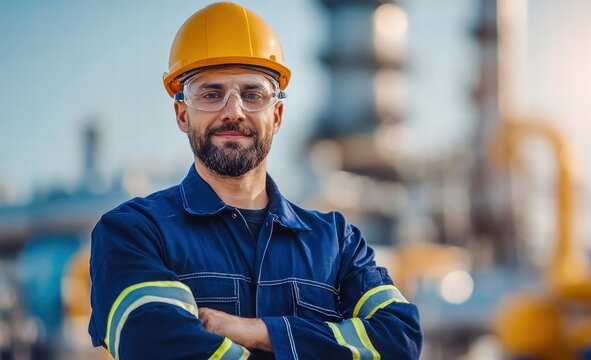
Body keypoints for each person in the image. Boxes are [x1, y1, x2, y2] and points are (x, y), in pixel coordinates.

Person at [88, 2, 423, 359]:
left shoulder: (337, 243)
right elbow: (157, 346)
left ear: (276, 115)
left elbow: (399, 339)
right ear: (182, 113)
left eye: (252, 94)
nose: (234, 111)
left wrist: (263, 332)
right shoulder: (134, 233)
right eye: (211, 94)